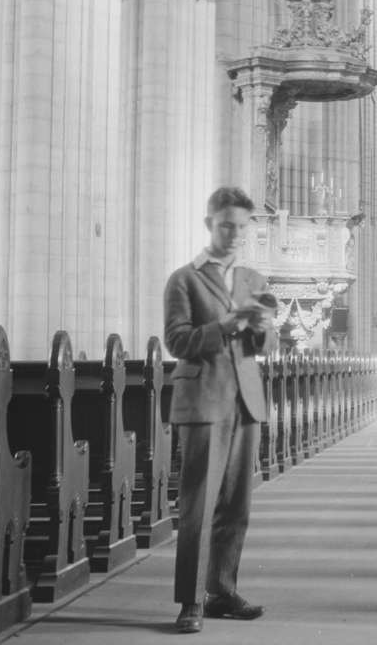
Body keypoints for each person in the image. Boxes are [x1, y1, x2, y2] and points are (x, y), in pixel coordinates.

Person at [164, 187, 277, 634]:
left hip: (246, 399)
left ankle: (221, 591)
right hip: (204, 398)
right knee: (199, 504)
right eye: (226, 224)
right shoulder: (184, 279)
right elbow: (178, 341)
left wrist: (265, 330)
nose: (234, 234)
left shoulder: (253, 279)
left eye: (241, 227)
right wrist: (224, 325)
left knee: (236, 504)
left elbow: (264, 346)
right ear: (209, 222)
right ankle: (190, 602)